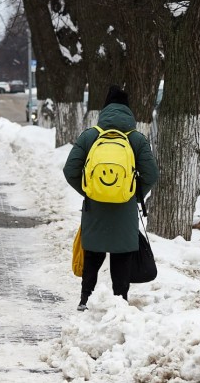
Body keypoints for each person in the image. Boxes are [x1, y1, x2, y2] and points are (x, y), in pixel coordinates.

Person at [62, 85, 159, 311]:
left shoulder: (90, 136)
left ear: (104, 110)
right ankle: (120, 300)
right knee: (121, 255)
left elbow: (70, 171)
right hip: (124, 209)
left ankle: (85, 298)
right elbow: (152, 174)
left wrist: (89, 191)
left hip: (94, 208)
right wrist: (134, 195)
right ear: (128, 110)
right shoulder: (136, 139)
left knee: (93, 254)